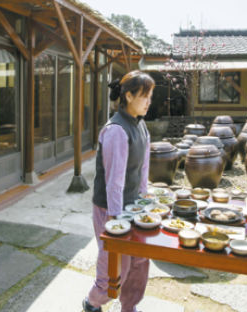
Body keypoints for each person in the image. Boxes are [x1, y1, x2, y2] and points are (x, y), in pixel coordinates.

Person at [83, 70, 155, 312]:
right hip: (110, 210)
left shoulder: (142, 127)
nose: (148, 102)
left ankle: (129, 306)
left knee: (139, 261)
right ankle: (93, 302)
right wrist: (114, 221)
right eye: (144, 96)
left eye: (150, 96)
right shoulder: (116, 130)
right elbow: (115, 181)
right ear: (129, 96)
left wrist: (145, 202)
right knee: (114, 268)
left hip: (133, 207)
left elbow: (143, 170)